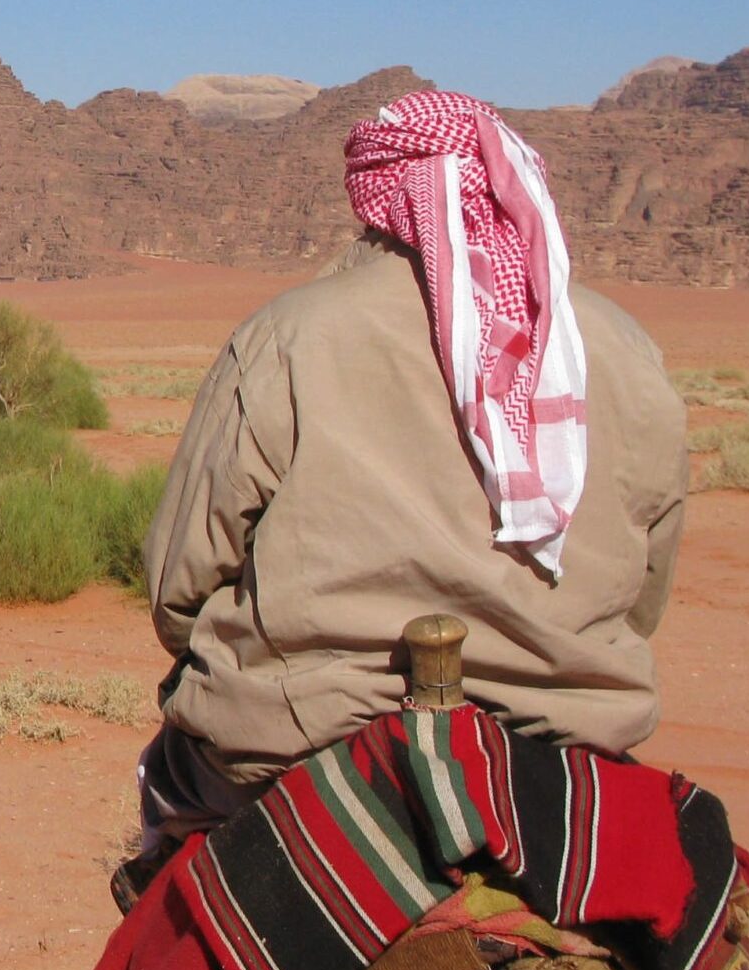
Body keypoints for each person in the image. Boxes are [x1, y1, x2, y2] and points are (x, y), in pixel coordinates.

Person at [133, 89, 689, 853]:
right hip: (563, 753)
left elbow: (181, 582)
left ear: (376, 194)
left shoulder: (290, 335)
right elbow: (646, 593)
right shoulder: (622, 348)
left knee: (167, 799)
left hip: (303, 743)